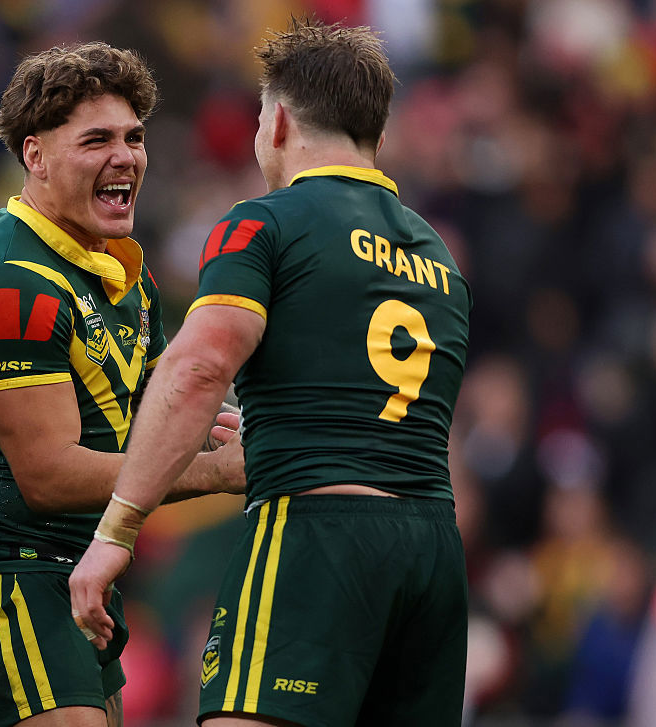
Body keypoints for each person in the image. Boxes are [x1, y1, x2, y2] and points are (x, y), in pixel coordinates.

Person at [70, 17, 473, 727]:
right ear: (374, 133)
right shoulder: (439, 258)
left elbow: (198, 368)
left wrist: (116, 531)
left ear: (279, 122)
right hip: (432, 549)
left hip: (317, 532)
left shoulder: (265, 223)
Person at [0, 42, 244, 727]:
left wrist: (233, 423)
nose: (125, 156)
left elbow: (165, 407)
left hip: (79, 572)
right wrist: (214, 472)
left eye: (134, 137)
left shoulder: (121, 268)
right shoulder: (12, 281)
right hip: (4, 582)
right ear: (35, 156)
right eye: (97, 139)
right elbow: (50, 475)